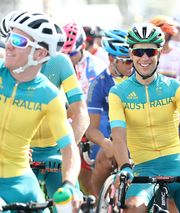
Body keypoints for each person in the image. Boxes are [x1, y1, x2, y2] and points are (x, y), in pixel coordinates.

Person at [108, 23, 180, 212]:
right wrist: (124, 165)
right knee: (132, 208)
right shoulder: (118, 93)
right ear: (131, 54)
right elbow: (118, 134)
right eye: (139, 52)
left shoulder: (174, 87)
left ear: (160, 53)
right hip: (143, 169)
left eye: (151, 52)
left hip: (178, 166)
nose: (145, 58)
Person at [0, 11, 81, 210]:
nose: (8, 45)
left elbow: (69, 147)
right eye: (10, 37)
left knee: (66, 208)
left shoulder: (49, 95)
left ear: (40, 53)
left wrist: (69, 185)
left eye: (18, 41)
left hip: (20, 181)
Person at [85, 29, 133, 197]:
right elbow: (90, 128)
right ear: (112, 59)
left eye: (133, 60)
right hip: (111, 134)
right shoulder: (99, 84)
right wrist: (106, 144)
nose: (132, 65)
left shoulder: (140, 78)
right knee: (103, 161)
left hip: (138, 135)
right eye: (127, 61)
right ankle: (99, 202)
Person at [61, 21, 107, 194]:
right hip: (65, 119)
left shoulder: (95, 67)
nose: (67, 58)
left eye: (71, 53)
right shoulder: (58, 63)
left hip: (89, 120)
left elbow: (89, 107)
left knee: (88, 181)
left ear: (82, 47)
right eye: (63, 53)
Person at [150, 15, 180, 84]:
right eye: (155, 33)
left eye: (162, 33)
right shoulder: (145, 54)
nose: (159, 36)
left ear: (169, 33)